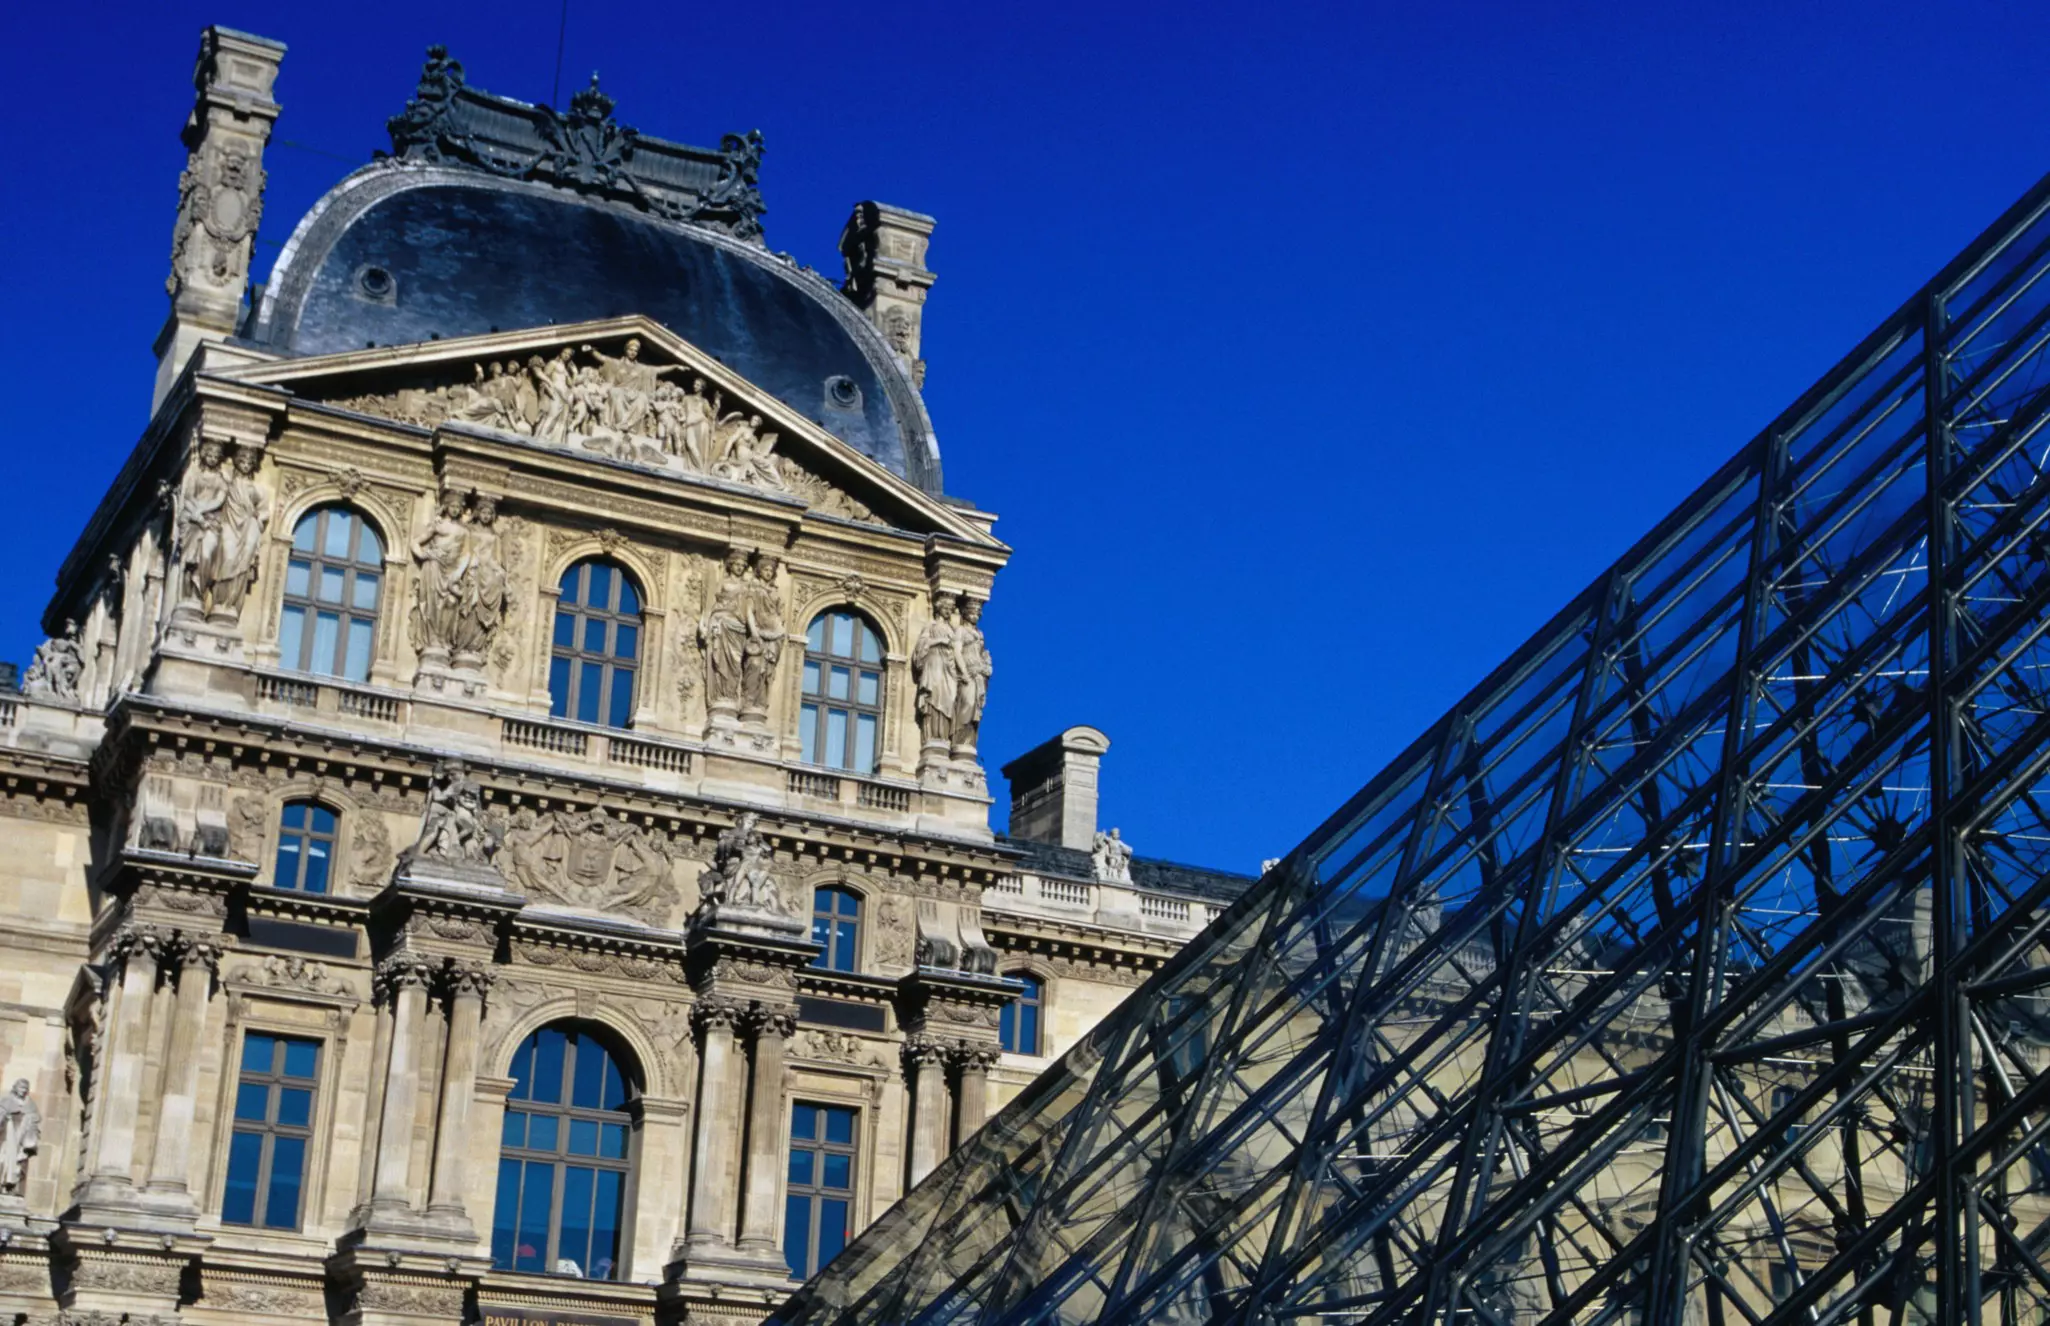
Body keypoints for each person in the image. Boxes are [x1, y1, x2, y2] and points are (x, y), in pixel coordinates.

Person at [0, 1079, 40, 1197]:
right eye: (21, 1088)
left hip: (20, 1141)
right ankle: (3, 1185)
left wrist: (30, 1121)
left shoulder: (30, 1105)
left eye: (25, 1089)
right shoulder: (6, 1102)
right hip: (7, 1138)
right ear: (15, 1088)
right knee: (4, 1160)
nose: (23, 1091)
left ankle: (14, 1188)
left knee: (19, 1163)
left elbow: (35, 1119)